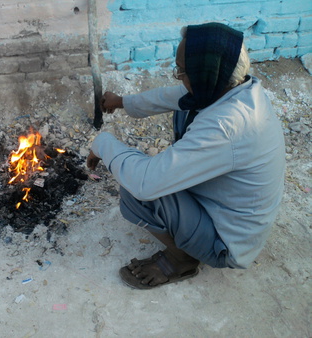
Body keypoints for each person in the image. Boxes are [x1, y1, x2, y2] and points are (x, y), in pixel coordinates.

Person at [86, 22, 285, 289]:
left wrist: (103, 143)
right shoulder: (240, 90)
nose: (178, 76)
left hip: (226, 243)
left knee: (133, 189)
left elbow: (145, 183)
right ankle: (187, 229)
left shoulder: (226, 127)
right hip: (227, 211)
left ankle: (182, 260)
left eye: (181, 71)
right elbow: (176, 96)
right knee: (186, 105)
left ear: (207, 74)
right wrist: (122, 101)